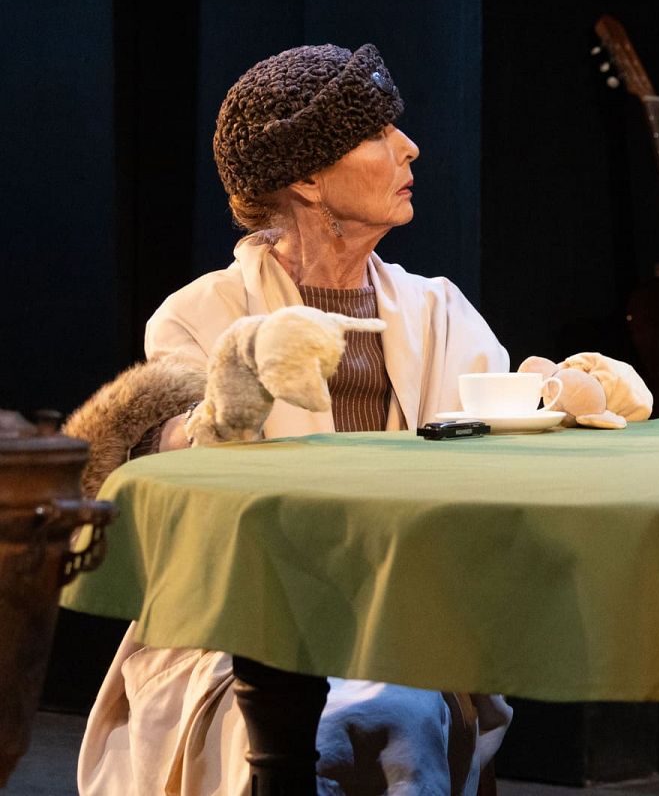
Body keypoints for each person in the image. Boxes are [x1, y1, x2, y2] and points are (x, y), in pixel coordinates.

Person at [68, 43, 513, 796]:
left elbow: (495, 446)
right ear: (306, 177)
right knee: (316, 724)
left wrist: (563, 395)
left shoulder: (438, 310)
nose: (409, 147)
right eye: (376, 133)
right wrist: (222, 411)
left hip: (401, 613)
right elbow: (169, 465)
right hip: (241, 622)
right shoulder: (203, 313)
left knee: (392, 709)